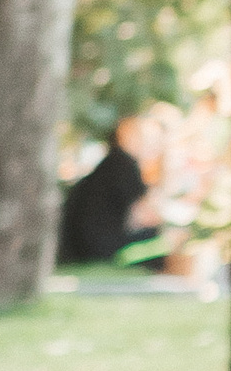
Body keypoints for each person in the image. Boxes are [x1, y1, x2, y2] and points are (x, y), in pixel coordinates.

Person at [58, 113, 162, 268]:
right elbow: (144, 216)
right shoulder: (124, 167)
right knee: (158, 239)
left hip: (78, 244)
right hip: (98, 246)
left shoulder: (109, 165)